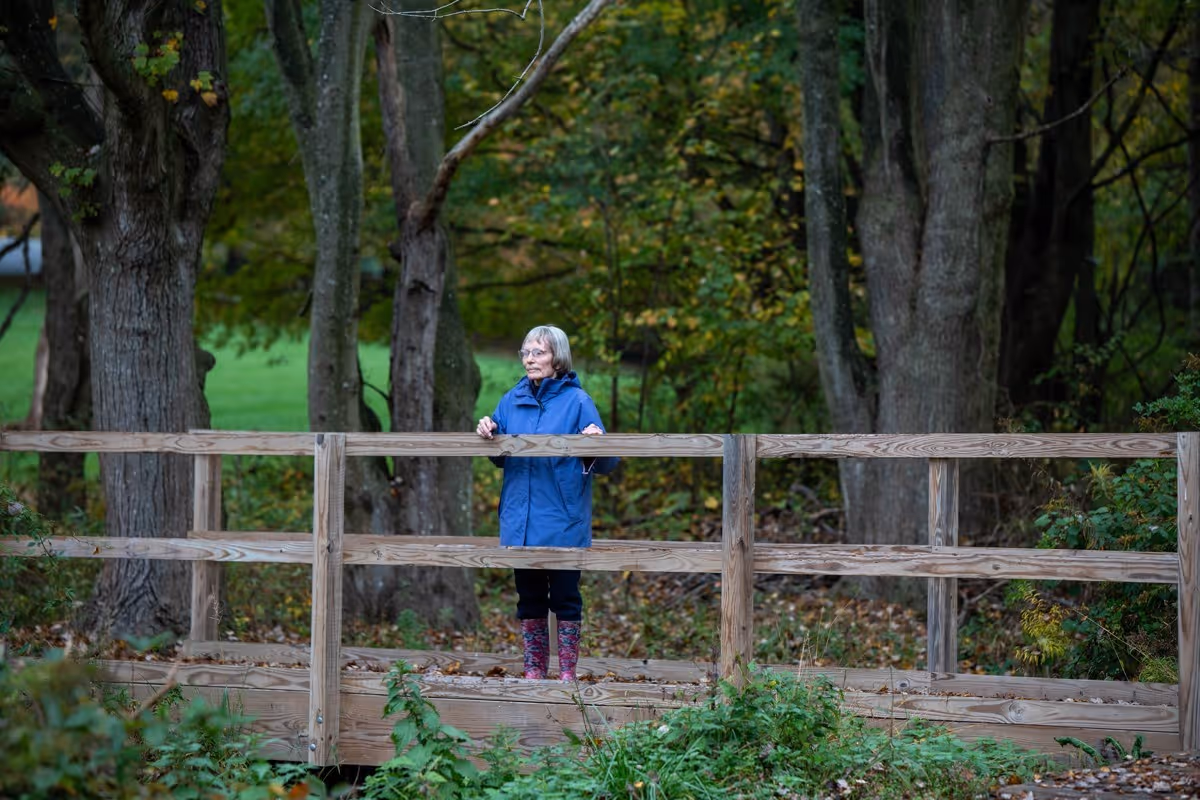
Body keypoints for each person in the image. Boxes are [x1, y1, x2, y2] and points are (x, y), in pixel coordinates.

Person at [475, 325, 618, 682]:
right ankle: (534, 673)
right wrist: (489, 431)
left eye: (538, 352)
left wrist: (594, 443)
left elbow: (608, 464)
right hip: (520, 518)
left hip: (563, 517)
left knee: (566, 597)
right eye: (525, 352)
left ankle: (567, 675)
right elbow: (500, 457)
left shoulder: (578, 401)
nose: (529, 359)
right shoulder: (511, 400)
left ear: (558, 357)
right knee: (529, 598)